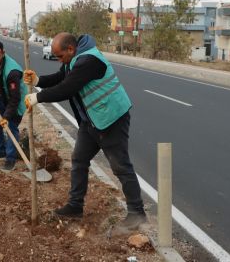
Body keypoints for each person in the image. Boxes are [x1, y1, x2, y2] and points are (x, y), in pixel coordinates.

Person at [23, 33, 147, 229]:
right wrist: (38, 81)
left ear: (71, 50)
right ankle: (75, 206)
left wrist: (38, 98)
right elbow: (61, 76)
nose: (59, 61)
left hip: (111, 119)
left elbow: (67, 88)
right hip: (92, 121)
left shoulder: (89, 61)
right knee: (79, 160)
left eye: (60, 56)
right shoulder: (75, 59)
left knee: (120, 167)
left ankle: (137, 213)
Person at [0, 40, 28, 171]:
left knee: (11, 128)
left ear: (3, 53)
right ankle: (0, 151)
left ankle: (10, 159)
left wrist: (6, 117)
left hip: (13, 102)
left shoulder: (12, 72)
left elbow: (15, 98)